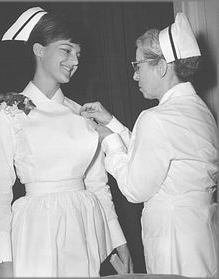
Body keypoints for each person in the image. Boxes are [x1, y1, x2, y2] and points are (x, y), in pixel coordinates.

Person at [0, 7, 133, 277]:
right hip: (35, 232)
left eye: (78, 54)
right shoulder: (9, 113)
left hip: (84, 228)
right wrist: (3, 259)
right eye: (66, 50)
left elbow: (98, 184)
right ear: (39, 50)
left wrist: (117, 239)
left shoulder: (82, 113)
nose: (74, 60)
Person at [80, 13, 218, 277]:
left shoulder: (156, 118)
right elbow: (158, 155)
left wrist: (108, 140)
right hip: (202, 237)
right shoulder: (199, 110)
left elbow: (135, 188)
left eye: (138, 65)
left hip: (173, 240)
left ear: (162, 66)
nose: (134, 76)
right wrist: (113, 123)